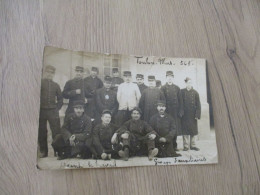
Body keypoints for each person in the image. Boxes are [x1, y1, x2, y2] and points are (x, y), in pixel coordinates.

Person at [38, 65, 63, 158]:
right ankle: (44, 151)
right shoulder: (40, 83)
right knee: (42, 131)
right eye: (48, 72)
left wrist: (56, 109)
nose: (49, 74)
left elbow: (60, 99)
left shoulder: (56, 85)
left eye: (51, 73)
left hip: (53, 111)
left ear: (54, 74)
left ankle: (58, 151)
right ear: (45, 72)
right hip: (42, 111)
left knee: (56, 131)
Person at [161, 71, 183, 151]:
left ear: (173, 78)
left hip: (175, 112)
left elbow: (181, 101)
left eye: (171, 77)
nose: (169, 78)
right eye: (168, 77)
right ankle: (167, 145)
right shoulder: (163, 88)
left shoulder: (177, 88)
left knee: (175, 128)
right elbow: (162, 101)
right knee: (167, 128)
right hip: (167, 111)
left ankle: (174, 145)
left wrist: (180, 112)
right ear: (166, 78)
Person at [181, 77, 201, 151]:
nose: (189, 84)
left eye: (190, 82)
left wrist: (197, 115)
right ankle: (186, 146)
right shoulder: (182, 92)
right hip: (185, 115)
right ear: (185, 83)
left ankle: (193, 145)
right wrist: (181, 113)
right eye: (188, 82)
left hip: (193, 115)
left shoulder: (195, 93)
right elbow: (180, 103)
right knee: (185, 130)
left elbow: (198, 105)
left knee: (193, 130)